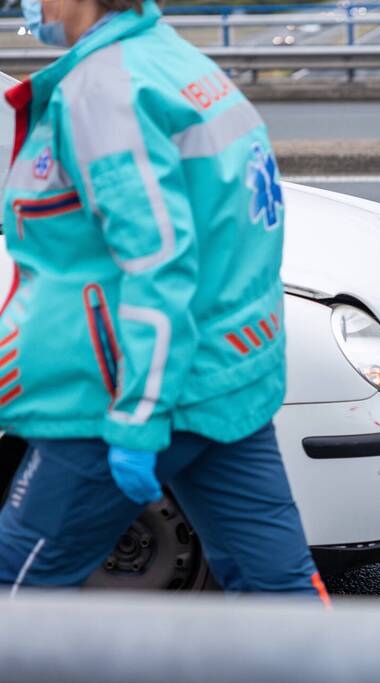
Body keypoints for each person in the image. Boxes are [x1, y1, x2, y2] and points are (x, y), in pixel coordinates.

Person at [0, 0, 329, 605]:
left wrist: (139, 416)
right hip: (220, 378)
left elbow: (158, 262)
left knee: (18, 581)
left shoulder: (104, 91)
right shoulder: (176, 63)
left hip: (117, 397)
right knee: (276, 589)